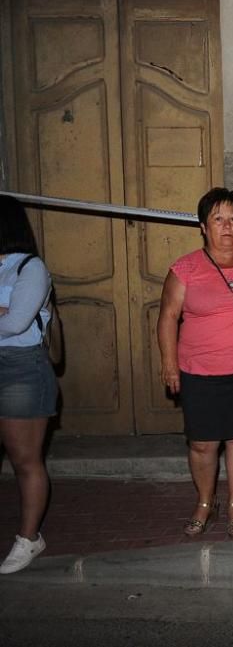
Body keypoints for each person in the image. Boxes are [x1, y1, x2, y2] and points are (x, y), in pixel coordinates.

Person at [157, 187, 233, 539]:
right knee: (203, 443)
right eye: (217, 219)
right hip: (199, 372)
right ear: (203, 226)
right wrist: (169, 364)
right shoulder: (185, 269)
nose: (226, 227)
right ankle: (205, 502)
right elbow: (167, 317)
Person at [0, 196, 56, 573]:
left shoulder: (30, 268)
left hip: (20, 368)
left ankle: (29, 538)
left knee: (24, 460)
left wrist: (7, 313)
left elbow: (17, 322)